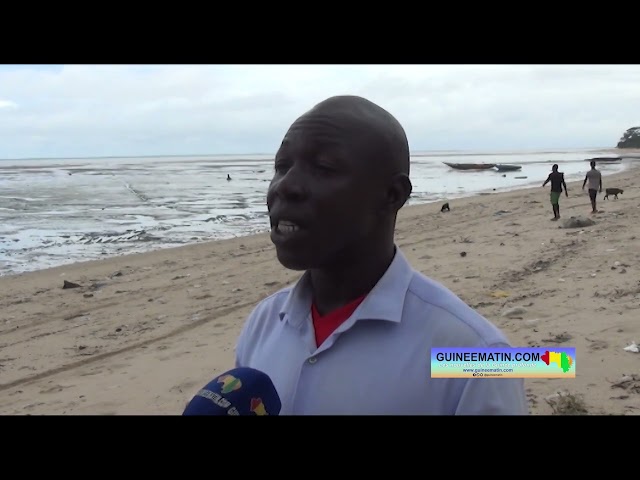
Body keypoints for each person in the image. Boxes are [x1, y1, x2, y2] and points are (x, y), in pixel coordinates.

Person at [234, 95, 528, 415]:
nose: (285, 186)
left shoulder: (479, 354)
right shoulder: (263, 323)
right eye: (281, 166)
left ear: (392, 195)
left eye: (323, 167)